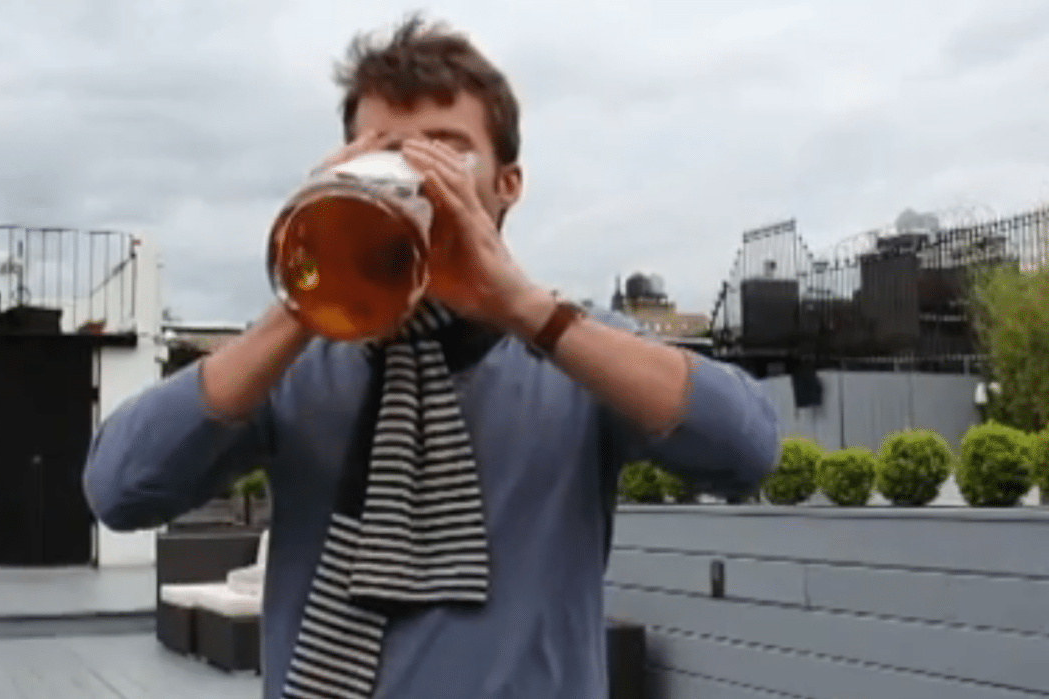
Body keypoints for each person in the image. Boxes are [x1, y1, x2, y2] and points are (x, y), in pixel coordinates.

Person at [85, 14, 779, 699]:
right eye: (382, 150)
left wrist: (523, 308)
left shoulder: (575, 347)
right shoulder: (301, 363)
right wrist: (310, 292)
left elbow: (746, 448)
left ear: (508, 183)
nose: (414, 172)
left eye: (447, 149)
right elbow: (118, 488)